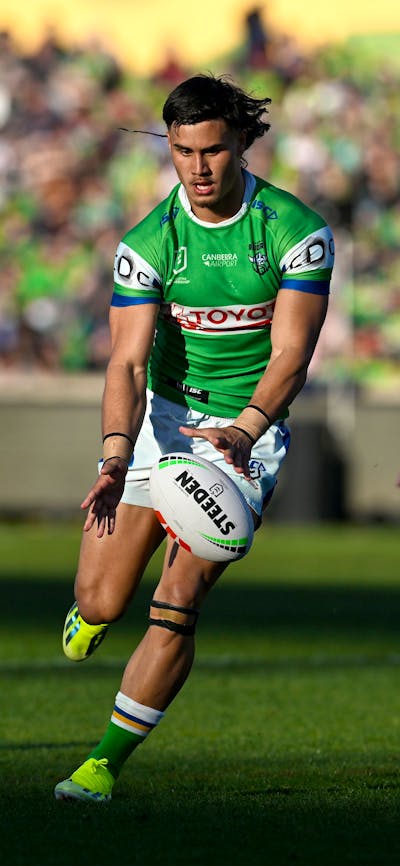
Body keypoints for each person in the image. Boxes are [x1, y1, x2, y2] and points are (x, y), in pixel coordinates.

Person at [54, 73, 334, 802]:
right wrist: (116, 456)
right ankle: (89, 612)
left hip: (245, 435)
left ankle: (102, 765)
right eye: (183, 152)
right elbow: (125, 360)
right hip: (163, 423)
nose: (198, 168)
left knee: (179, 597)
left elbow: (291, 357)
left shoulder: (295, 232)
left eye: (213, 150)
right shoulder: (150, 242)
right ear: (169, 148)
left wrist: (244, 432)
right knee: (106, 599)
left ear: (241, 142)